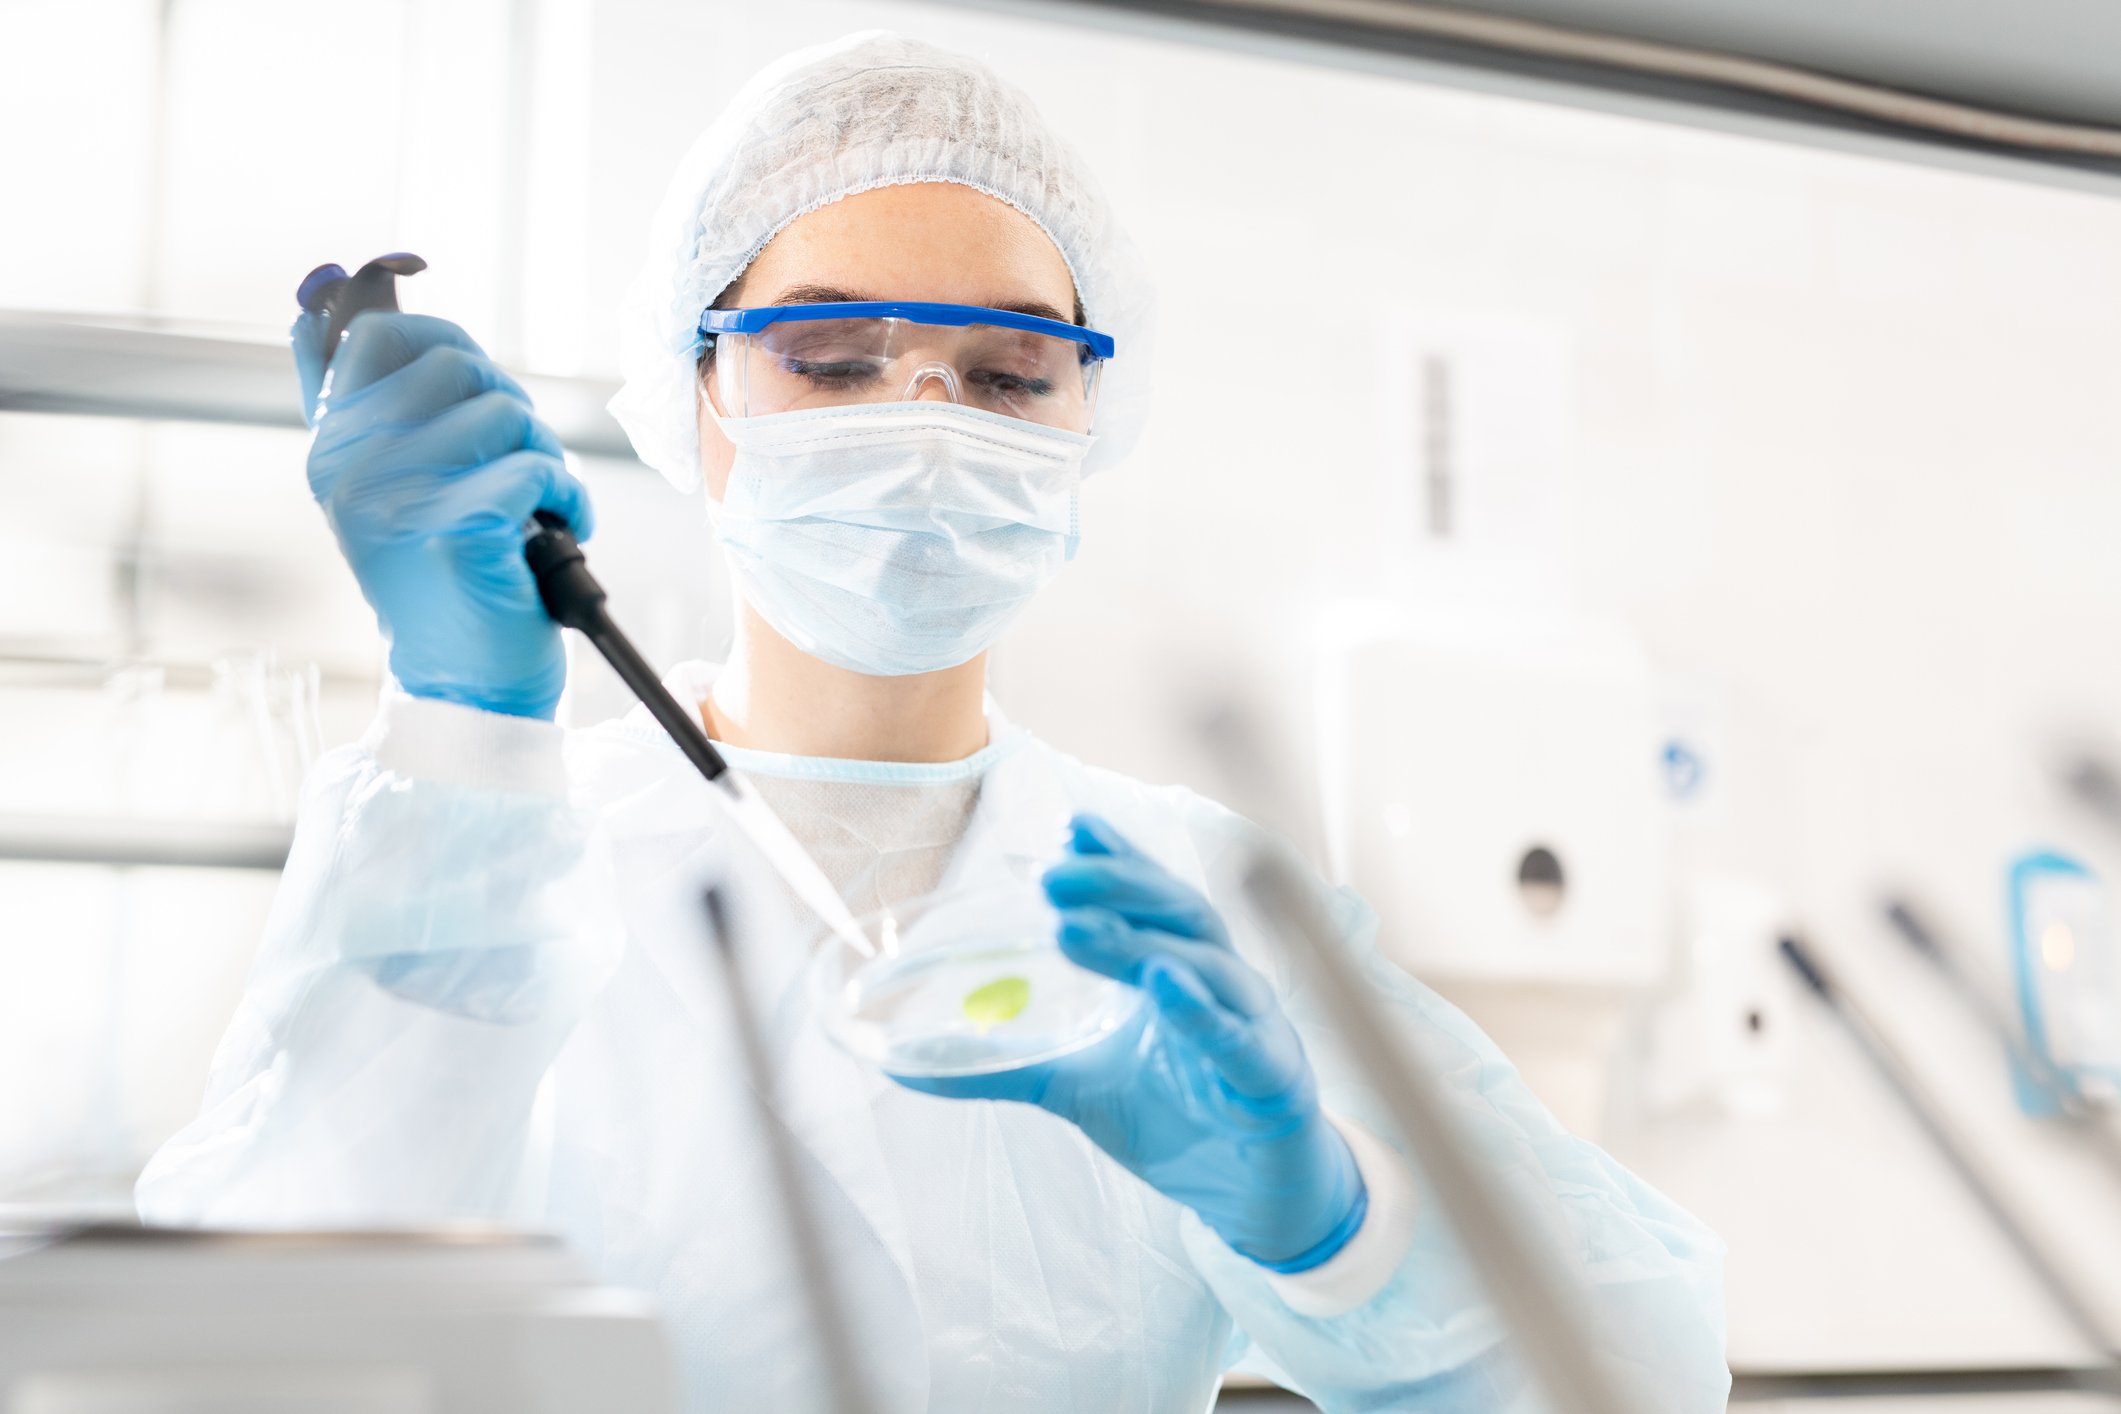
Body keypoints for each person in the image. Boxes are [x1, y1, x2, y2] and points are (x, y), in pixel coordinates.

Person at [138, 31, 1729, 1412]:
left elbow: (1637, 1374)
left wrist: (1329, 1215)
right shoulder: (490, 845)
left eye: (1009, 374)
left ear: (1090, 423)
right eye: (828, 359)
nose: (920, 427)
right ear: (695, 393)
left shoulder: (1181, 901)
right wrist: (464, 730)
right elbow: (263, 1355)